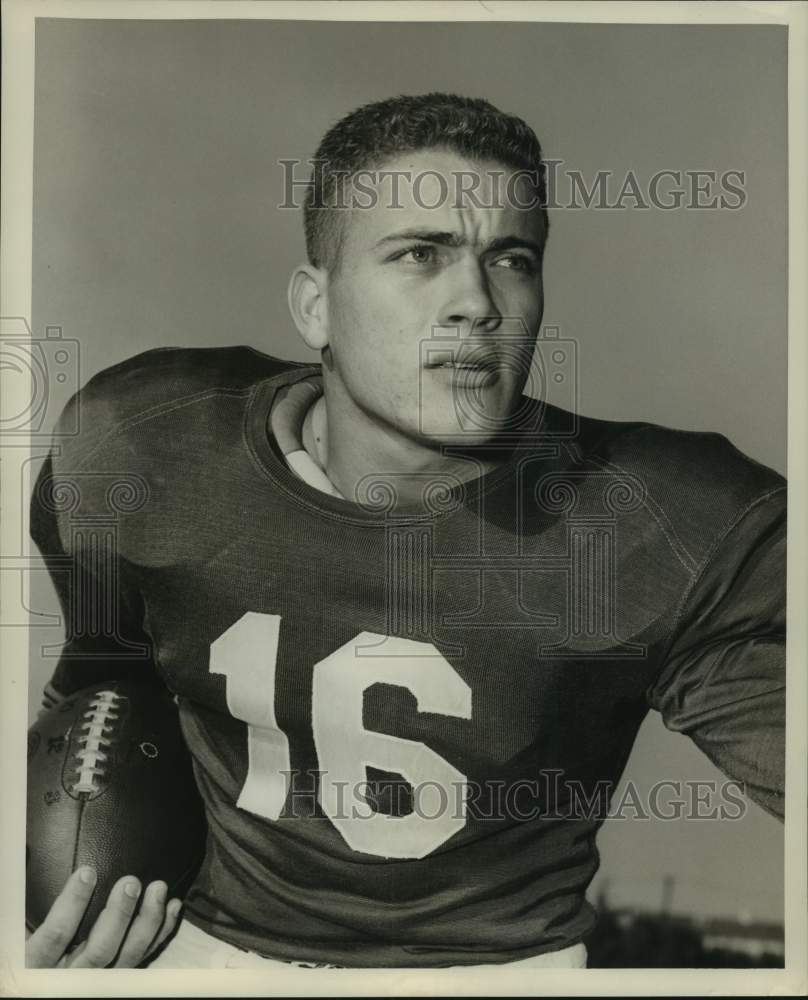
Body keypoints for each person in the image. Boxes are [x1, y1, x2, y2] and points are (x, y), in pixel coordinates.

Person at [26, 93, 785, 969]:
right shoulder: (144, 443)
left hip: (498, 971)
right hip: (204, 952)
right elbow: (98, 684)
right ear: (314, 307)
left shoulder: (665, 521)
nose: (476, 302)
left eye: (512, 259)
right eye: (421, 254)